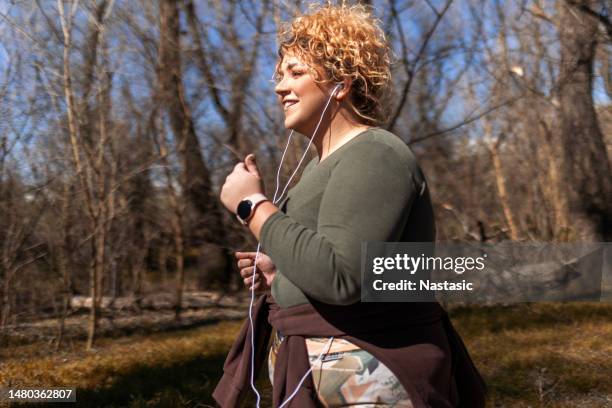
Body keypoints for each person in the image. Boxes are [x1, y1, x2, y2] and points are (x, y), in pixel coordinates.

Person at [215, 3, 486, 407]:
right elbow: (329, 263)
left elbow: (341, 278)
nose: (278, 88)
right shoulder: (316, 169)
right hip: (320, 369)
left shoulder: (375, 153)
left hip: (375, 372)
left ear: (340, 85)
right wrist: (281, 274)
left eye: (296, 73)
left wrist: (252, 205)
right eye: (279, 75)